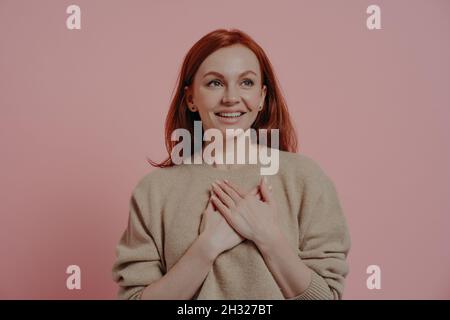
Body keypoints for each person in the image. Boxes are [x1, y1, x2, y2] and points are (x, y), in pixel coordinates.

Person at [111, 28, 351, 300]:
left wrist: (267, 237)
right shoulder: (154, 191)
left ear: (261, 97)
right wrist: (207, 247)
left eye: (246, 83)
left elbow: (326, 298)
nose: (231, 98)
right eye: (215, 83)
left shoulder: (305, 179)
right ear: (191, 98)